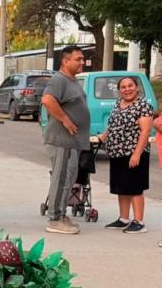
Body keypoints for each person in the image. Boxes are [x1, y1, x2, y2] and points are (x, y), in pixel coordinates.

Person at [41, 46, 90, 234]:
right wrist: (66, 120)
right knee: (61, 180)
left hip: (72, 142)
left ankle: (61, 214)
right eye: (78, 59)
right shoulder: (59, 80)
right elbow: (47, 100)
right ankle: (55, 219)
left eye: (82, 59)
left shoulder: (73, 81)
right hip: (62, 140)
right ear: (65, 61)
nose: (82, 62)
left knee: (68, 179)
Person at [98, 76, 155, 233]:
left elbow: (145, 131)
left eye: (130, 86)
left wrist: (136, 154)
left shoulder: (143, 106)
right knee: (121, 187)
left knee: (135, 187)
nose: (127, 89)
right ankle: (124, 218)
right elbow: (113, 124)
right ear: (119, 90)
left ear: (137, 88)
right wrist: (105, 135)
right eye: (123, 87)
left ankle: (139, 221)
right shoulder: (118, 103)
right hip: (117, 152)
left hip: (134, 152)